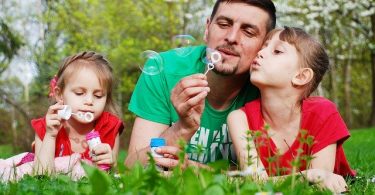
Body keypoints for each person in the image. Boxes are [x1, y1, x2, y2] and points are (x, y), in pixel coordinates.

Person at [125, 0, 276, 169]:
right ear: (207, 28)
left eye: (248, 32)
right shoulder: (163, 68)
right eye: (224, 24)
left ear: (264, 46)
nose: (232, 37)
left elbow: (273, 177)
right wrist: (182, 128)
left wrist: (198, 172)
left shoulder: (271, 86)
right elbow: (132, 168)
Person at [227, 27, 355, 193]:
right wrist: (309, 175)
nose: (260, 53)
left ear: (301, 76)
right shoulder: (238, 118)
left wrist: (316, 176)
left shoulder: (323, 112)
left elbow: (322, 181)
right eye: (263, 47)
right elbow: (255, 181)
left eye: (277, 51)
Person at [32, 51, 124, 174]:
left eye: (98, 95)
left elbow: (112, 177)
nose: (89, 101)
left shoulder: (110, 127)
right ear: (59, 95)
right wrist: (50, 136)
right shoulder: (46, 127)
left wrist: (112, 164)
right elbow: (40, 176)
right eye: (80, 93)